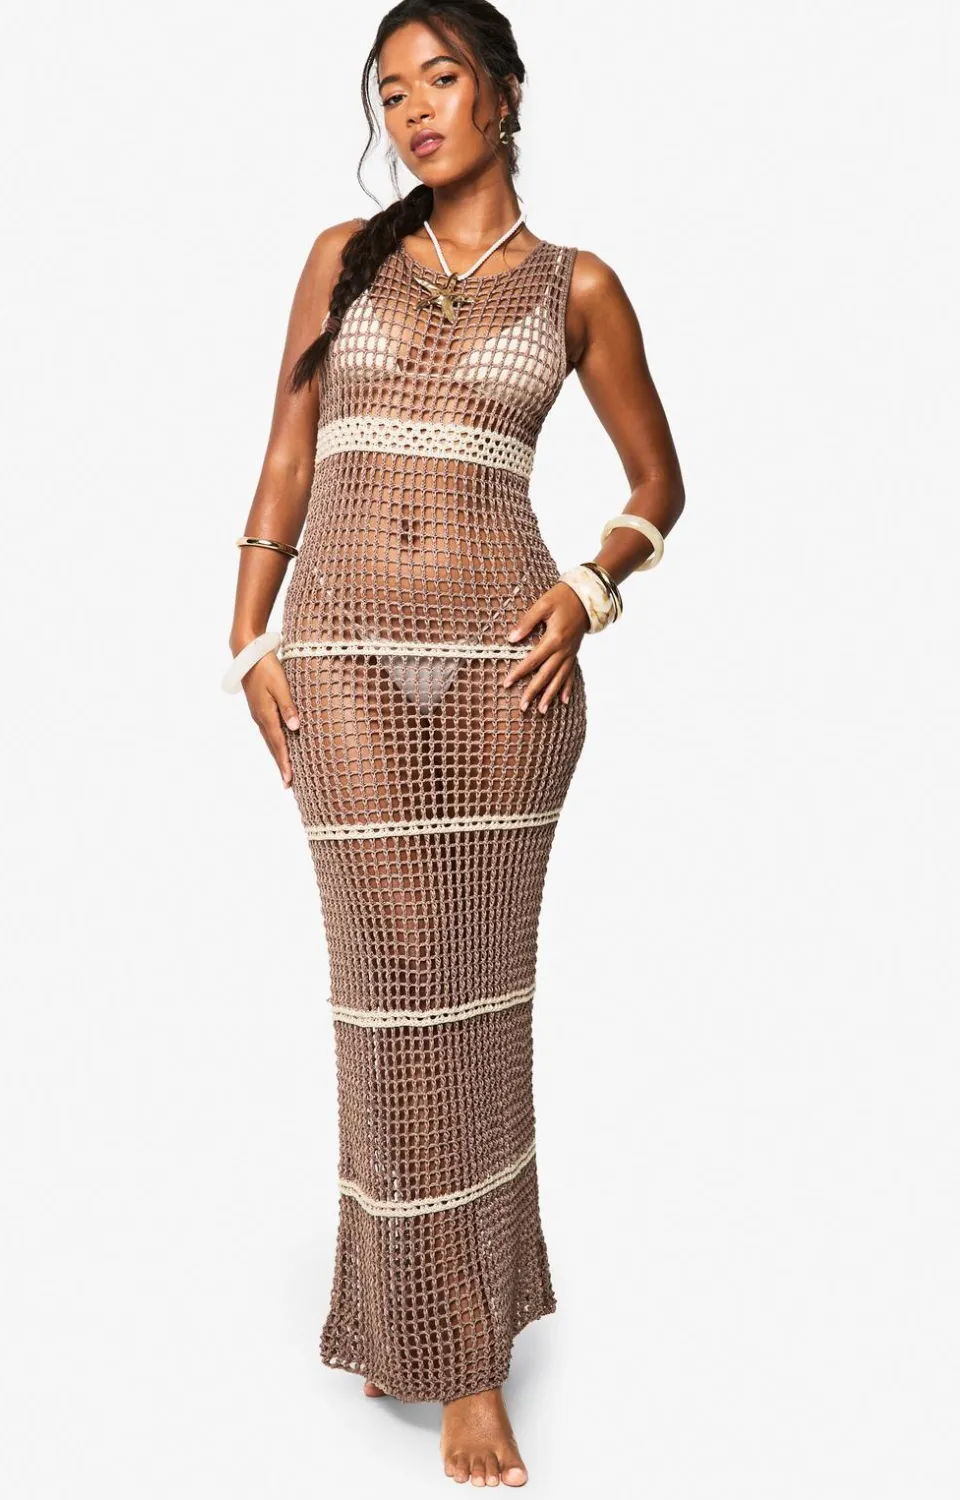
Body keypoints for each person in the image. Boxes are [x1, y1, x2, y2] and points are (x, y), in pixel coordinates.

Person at [223, 0, 685, 1486]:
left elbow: (660, 481)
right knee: (393, 989)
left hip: (505, 681)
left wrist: (593, 587)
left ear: (504, 93)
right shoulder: (343, 260)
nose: (415, 109)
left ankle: (432, 1327)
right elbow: (288, 456)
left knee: (475, 995)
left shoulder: (576, 285)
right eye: (390, 91)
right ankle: (448, 1341)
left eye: (441, 79)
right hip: (346, 661)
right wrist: (247, 636)